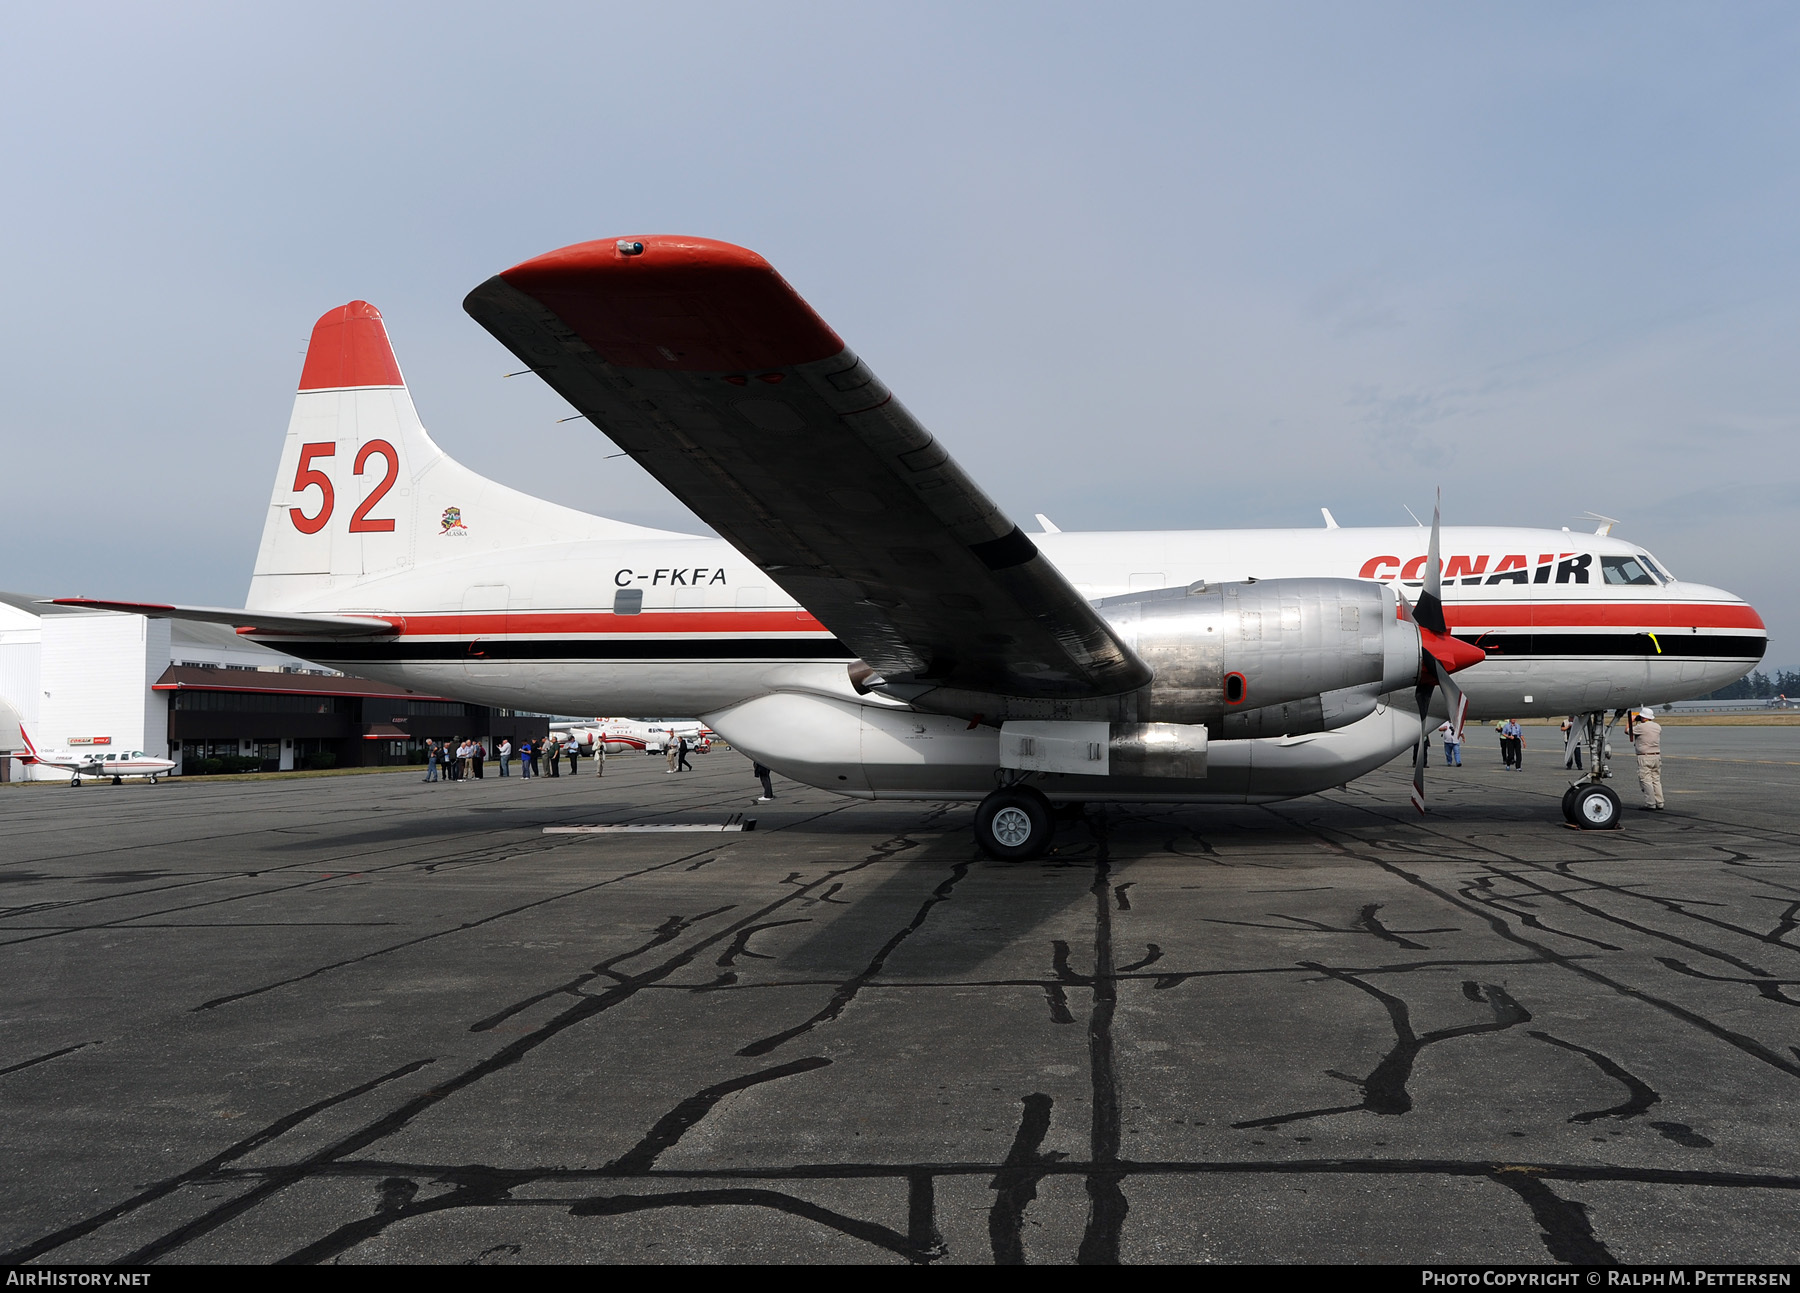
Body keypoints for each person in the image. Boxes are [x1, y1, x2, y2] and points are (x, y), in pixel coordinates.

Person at [1630, 708, 1665, 810]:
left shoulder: (1641, 727)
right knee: (1656, 780)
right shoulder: (1657, 726)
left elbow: (1627, 731)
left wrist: (1631, 720)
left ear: (1644, 717)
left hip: (1645, 756)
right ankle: (1660, 802)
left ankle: (1650, 803)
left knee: (1646, 780)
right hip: (1656, 756)